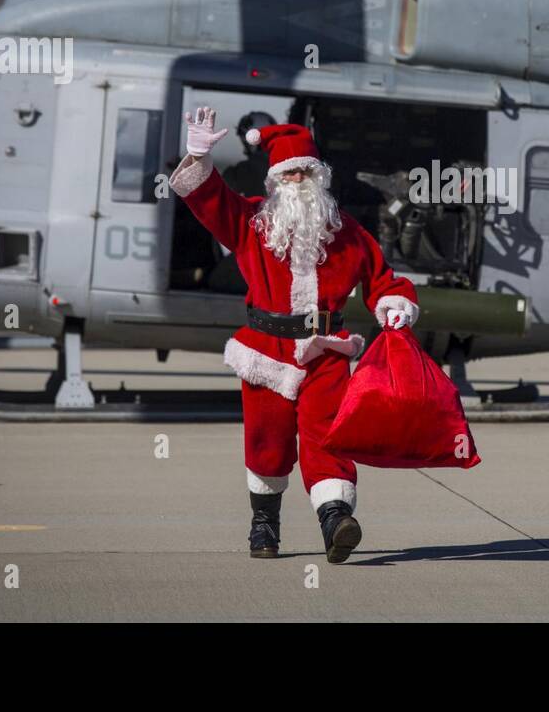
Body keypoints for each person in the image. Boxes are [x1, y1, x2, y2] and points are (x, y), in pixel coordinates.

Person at [169, 108, 420, 563]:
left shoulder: (347, 233)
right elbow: (210, 201)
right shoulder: (251, 224)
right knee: (268, 442)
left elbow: (384, 279)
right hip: (265, 351)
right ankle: (264, 524)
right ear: (276, 181)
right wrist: (198, 157)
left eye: (308, 170)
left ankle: (335, 519)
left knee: (328, 436)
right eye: (291, 172)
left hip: (326, 352)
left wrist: (394, 304)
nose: (300, 179)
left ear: (320, 178)